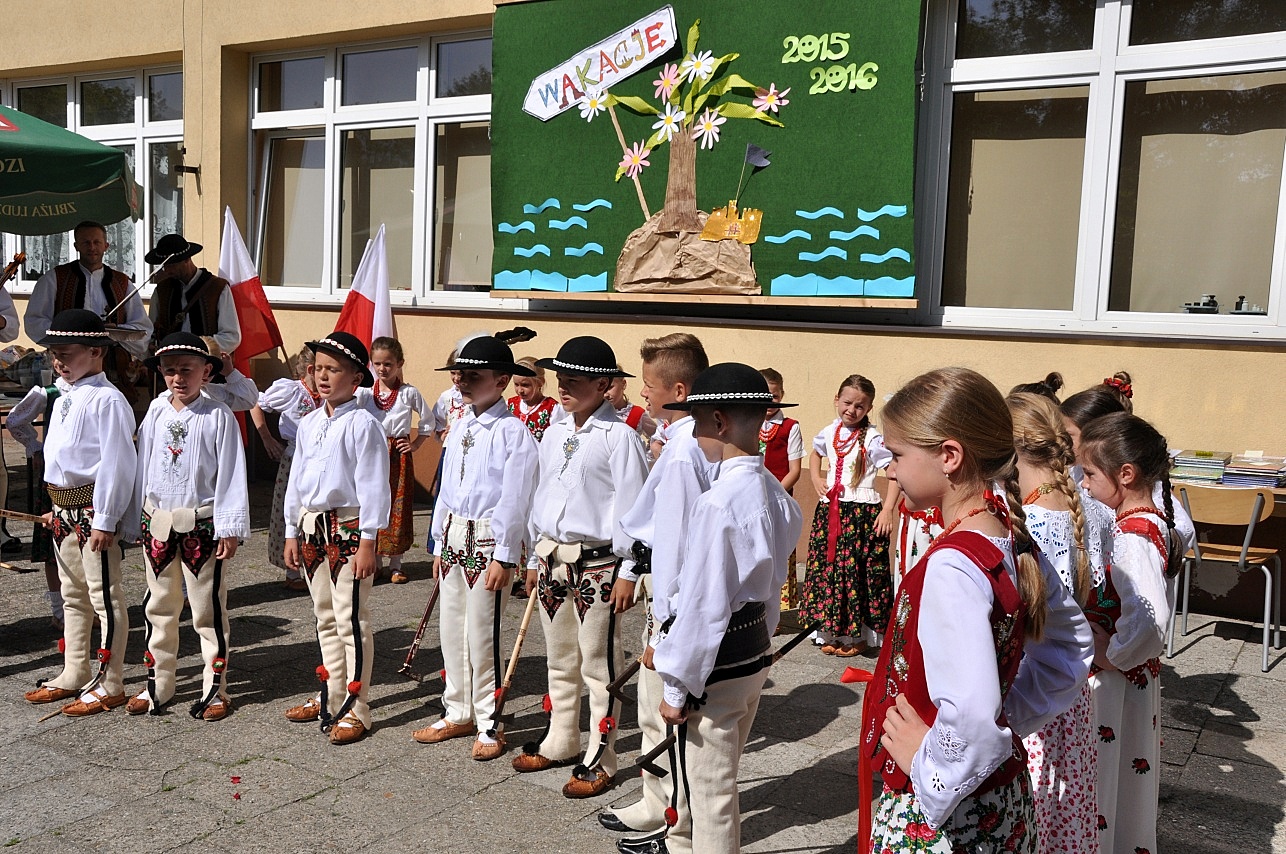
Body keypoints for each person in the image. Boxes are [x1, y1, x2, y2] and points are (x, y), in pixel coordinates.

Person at [864, 367, 1092, 852]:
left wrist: (928, 763)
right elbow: (1069, 650)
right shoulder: (1007, 536)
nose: (890, 471)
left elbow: (970, 717)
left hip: (947, 818)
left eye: (897, 455)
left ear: (949, 456)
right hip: (1001, 798)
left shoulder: (954, 565)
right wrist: (1009, 717)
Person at [650, 363, 803, 854]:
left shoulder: (718, 504)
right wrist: (766, 637)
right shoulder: (776, 494)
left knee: (711, 789)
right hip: (752, 655)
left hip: (716, 667)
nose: (694, 435)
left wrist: (676, 686)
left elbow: (703, 605)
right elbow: (773, 583)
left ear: (718, 421)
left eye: (696, 423)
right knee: (722, 774)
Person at [516, 336, 649, 799]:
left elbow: (634, 509)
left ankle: (601, 753)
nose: (564, 386)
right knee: (559, 657)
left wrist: (629, 570)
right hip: (552, 558)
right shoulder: (554, 432)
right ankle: (561, 737)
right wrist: (534, 556)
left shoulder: (620, 437)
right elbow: (541, 495)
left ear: (604, 384)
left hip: (599, 563)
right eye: (561, 378)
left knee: (598, 661)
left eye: (575, 379)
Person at [605, 332, 712, 850]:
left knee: (670, 711)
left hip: (673, 596)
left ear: (679, 389)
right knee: (651, 707)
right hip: (664, 589)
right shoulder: (680, 440)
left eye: (649, 385)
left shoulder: (686, 451)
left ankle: (679, 822)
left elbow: (674, 543)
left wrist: (663, 627)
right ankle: (656, 802)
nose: (643, 393)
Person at [415, 335, 539, 761]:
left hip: (487, 539)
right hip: (454, 536)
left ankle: (490, 719)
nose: (463, 382)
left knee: (483, 633)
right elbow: (446, 488)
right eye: (461, 374)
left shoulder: (512, 431)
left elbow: (516, 497)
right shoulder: (462, 424)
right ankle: (458, 709)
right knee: (451, 628)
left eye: (474, 375)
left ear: (502, 381)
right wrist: (437, 542)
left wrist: (506, 553)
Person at [126, 333, 249, 720]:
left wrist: (229, 527)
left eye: (187, 370)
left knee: (207, 610)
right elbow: (144, 464)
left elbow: (231, 473)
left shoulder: (218, 415)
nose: (178, 378)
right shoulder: (156, 411)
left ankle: (215, 687)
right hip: (159, 523)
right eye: (170, 370)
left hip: (201, 526)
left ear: (206, 372)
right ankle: (158, 682)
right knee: (159, 606)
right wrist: (136, 518)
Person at [21, 310, 137, 716]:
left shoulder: (109, 400)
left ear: (96, 352)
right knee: (72, 595)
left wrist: (106, 518)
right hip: (62, 510)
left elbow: (118, 464)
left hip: (91, 512)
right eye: (54, 353)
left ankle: (111, 681)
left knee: (105, 595)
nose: (58, 361)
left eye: (66, 353)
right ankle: (74, 669)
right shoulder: (65, 395)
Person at [1077, 413, 1180, 854]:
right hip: (1129, 677)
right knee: (1121, 772)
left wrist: (1111, 653)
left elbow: (1150, 618)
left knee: (1107, 772)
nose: (1084, 485)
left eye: (1089, 474)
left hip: (1117, 681)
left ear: (1125, 474)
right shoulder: (1145, 522)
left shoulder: (1132, 535)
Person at [282, 331, 390, 746]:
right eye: (318, 368)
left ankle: (356, 706)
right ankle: (331, 692)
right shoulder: (309, 423)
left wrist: (368, 542)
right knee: (324, 615)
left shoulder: (363, 424)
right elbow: (297, 481)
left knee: (350, 618)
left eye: (333, 370)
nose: (322, 376)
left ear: (357, 378)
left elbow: (374, 486)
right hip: (312, 527)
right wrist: (291, 531)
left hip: (347, 529)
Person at [1007, 391, 1100, 854]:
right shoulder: (1085, 505)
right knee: (1066, 810)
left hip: (1036, 693)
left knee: (1039, 810)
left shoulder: (1034, 522)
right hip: (1071, 689)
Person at [802, 374, 898, 656]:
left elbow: (893, 472)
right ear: (837, 399)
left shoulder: (873, 439)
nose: (852, 410)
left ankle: (858, 636)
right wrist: (816, 478)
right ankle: (832, 630)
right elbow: (816, 453)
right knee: (830, 570)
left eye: (859, 406)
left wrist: (888, 509)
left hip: (861, 512)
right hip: (831, 509)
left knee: (857, 572)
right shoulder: (829, 431)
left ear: (868, 408)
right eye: (847, 403)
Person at [1060, 372, 1195, 555]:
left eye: (1068, 435)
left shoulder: (1141, 487)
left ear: (1097, 434)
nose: (1060, 441)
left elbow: (1183, 530)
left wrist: (1138, 543)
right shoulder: (1073, 472)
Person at [24, 221, 154, 403]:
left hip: (113, 370)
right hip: (69, 367)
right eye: (86, 242)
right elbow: (34, 321)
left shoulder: (122, 282)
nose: (92, 247)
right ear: (76, 246)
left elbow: (143, 328)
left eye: (96, 242)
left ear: (106, 246)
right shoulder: (54, 278)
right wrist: (70, 336)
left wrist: (116, 331)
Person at [364, 336, 436, 584]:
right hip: (373, 453)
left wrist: (415, 444)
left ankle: (396, 564)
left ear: (399, 364)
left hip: (398, 454)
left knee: (398, 505)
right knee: (373, 502)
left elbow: (428, 420)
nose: (382, 369)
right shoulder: (364, 393)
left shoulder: (408, 393)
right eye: (377, 364)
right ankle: (375, 562)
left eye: (388, 364)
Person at [251, 345, 320, 592]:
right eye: (322, 368)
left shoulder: (329, 394)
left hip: (321, 460)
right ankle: (292, 570)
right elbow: (255, 403)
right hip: (294, 459)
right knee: (289, 510)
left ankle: (316, 563)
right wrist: (267, 438)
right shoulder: (291, 391)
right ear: (310, 370)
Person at [7, 377, 67, 629]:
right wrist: (35, 446)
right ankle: (59, 612)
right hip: (53, 477)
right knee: (52, 545)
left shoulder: (101, 393)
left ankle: (85, 609)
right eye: (58, 359)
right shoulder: (50, 393)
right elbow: (14, 420)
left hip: (87, 478)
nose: (63, 364)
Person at [145, 233, 242, 358]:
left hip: (206, 363)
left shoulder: (217, 288)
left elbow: (231, 336)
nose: (167, 271)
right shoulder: (161, 290)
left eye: (172, 265)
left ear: (187, 259)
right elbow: (151, 331)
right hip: (170, 363)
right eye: (165, 266)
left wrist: (196, 348)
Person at [757, 367, 805, 611]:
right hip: (752, 497)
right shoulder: (750, 423)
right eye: (764, 395)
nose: (769, 401)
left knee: (778, 548)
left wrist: (773, 494)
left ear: (782, 395)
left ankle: (778, 606)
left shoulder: (790, 427)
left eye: (774, 396)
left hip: (778, 497)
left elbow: (794, 470)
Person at [507, 356, 564, 442]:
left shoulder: (553, 409)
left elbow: (558, 439)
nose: (520, 390)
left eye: (525, 385)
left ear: (540, 382)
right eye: (516, 384)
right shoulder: (509, 405)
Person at [605, 369, 656, 454]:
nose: (606, 394)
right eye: (603, 389)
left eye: (610, 387)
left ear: (623, 384)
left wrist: (645, 455)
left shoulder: (637, 414)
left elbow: (656, 437)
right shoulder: (594, 413)